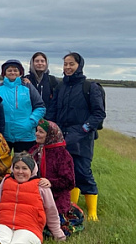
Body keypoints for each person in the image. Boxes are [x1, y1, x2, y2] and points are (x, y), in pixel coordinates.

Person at [45, 52, 105, 221]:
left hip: (82, 139)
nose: (68, 67)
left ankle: (93, 212)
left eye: (71, 64)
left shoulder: (90, 87)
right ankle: (72, 205)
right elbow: (53, 110)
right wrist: (48, 127)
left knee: (83, 172)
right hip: (61, 137)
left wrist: (83, 129)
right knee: (66, 172)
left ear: (79, 65)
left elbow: (99, 114)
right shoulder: (60, 86)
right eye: (65, 64)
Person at [30, 119, 83, 237]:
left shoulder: (62, 155)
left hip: (56, 197)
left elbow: (69, 182)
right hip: (36, 193)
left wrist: (50, 182)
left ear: (50, 135)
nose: (37, 134)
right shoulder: (34, 150)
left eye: (41, 132)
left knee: (49, 225)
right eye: (37, 131)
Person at [0, 59, 45, 153]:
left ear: (20, 72)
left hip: (26, 136)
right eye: (9, 70)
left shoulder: (27, 87)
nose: (12, 72)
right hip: (4, 135)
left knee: (26, 165)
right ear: (4, 73)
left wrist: (31, 122)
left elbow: (40, 107)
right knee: (3, 166)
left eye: (15, 70)